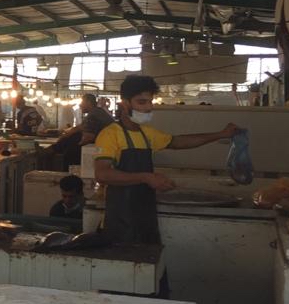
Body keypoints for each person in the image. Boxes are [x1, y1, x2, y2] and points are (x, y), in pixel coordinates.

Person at [94, 75, 240, 245]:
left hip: (144, 216)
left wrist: (221, 134)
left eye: (150, 102)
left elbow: (178, 142)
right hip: (119, 220)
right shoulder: (109, 135)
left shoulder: (146, 133)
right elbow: (102, 174)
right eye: (142, 102)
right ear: (125, 103)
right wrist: (146, 177)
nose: (149, 107)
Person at [46, 93, 115, 167]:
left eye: (82, 102)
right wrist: (68, 133)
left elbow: (88, 137)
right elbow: (80, 127)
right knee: (70, 139)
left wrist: (67, 137)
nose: (80, 105)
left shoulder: (93, 115)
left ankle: (53, 158)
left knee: (71, 143)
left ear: (88, 102)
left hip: (102, 145)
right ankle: (51, 151)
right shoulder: (98, 112)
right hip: (105, 143)